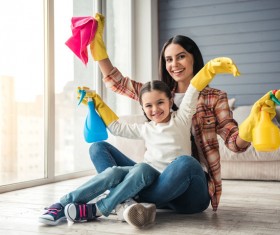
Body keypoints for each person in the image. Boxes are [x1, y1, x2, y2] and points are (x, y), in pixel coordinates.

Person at [87, 12, 279, 216]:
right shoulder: (158, 94)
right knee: (99, 148)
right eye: (168, 59)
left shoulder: (214, 98)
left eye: (180, 57)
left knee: (186, 162)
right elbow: (117, 82)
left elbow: (235, 143)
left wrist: (253, 121)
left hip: (190, 192)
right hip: (156, 181)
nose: (174, 64)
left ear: (193, 58)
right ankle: (130, 203)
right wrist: (97, 47)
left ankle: (126, 200)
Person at [39, 54, 240, 228]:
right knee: (101, 150)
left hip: (183, 195)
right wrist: (97, 102)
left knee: (186, 162)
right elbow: (117, 128)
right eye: (149, 106)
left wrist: (211, 69)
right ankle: (63, 204)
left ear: (170, 101)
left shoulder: (182, 118)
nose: (155, 109)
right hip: (151, 186)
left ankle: (101, 208)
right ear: (143, 108)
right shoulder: (146, 129)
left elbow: (193, 89)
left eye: (160, 102)